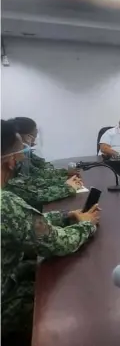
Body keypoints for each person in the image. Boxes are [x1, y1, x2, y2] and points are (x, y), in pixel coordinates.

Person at [0, 120, 100, 342]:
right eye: (20, 152)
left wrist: (65, 215)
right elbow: (58, 244)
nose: (23, 157)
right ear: (10, 161)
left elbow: (23, 221)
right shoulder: (4, 203)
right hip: (5, 304)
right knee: (68, 301)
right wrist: (87, 224)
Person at [6, 117, 83, 205]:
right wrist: (67, 187)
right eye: (34, 134)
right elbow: (31, 194)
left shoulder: (24, 153)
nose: (35, 138)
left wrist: (65, 175)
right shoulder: (11, 161)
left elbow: (35, 176)